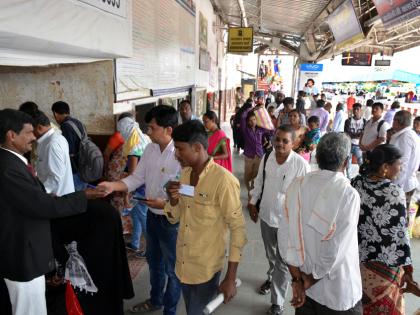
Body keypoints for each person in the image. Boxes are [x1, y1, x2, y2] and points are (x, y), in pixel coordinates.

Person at [0, 109, 100, 315]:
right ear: (11, 135)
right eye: (28, 133)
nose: (33, 137)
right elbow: (42, 206)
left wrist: (42, 196)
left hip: (24, 250)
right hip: (22, 256)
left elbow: (31, 200)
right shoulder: (8, 167)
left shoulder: (13, 161)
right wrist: (85, 196)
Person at [98, 105, 181, 315]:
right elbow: (137, 178)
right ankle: (156, 300)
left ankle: (169, 311)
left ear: (168, 129)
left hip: (173, 221)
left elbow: (190, 189)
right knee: (155, 263)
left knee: (174, 270)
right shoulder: (150, 149)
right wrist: (113, 186)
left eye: (152, 128)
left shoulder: (181, 153)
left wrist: (167, 205)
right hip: (153, 218)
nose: (148, 132)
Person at [164, 120, 247, 315]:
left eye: (179, 149)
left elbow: (238, 230)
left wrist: (230, 277)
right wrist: (173, 200)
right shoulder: (184, 175)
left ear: (198, 148)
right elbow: (175, 218)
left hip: (206, 271)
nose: (176, 154)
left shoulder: (224, 181)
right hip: (183, 265)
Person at [279, 132, 362, 314]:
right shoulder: (348, 195)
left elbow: (284, 238)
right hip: (336, 292)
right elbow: (334, 250)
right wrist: (307, 281)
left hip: (306, 289)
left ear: (316, 157)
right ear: (346, 161)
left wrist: (298, 281)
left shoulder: (297, 186)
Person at [248, 125, 310, 315]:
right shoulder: (267, 158)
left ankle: (277, 302)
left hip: (287, 223)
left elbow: (306, 195)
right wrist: (252, 202)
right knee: (270, 255)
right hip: (267, 216)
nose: (280, 144)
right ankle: (271, 276)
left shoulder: (301, 165)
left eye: (285, 141)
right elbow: (259, 182)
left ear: (294, 143)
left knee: (283, 263)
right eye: (278, 139)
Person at [351, 145, 419, 314]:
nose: (401, 167)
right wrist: (408, 269)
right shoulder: (394, 192)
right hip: (386, 268)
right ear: (385, 168)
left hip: (356, 260)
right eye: (399, 163)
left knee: (361, 305)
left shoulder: (356, 183)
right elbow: (400, 235)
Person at [117, 113, 151, 257]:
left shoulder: (133, 146)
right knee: (137, 216)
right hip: (147, 185)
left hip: (140, 189)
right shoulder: (144, 137)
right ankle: (135, 243)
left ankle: (150, 250)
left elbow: (132, 177)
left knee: (142, 218)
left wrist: (126, 197)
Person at [31, 110, 74, 196]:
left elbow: (55, 177)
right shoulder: (46, 141)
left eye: (30, 131)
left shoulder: (53, 143)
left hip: (58, 197)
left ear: (39, 128)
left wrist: (38, 193)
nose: (30, 135)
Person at [51, 101, 88, 191]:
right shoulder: (78, 122)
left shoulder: (66, 126)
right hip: (84, 165)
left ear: (55, 114)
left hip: (74, 170)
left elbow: (68, 151)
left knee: (74, 197)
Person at [390, 110, 420, 217]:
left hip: (403, 185)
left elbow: (402, 165)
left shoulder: (405, 137)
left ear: (399, 122)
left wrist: (396, 188)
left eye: (394, 120)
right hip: (405, 184)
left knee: (400, 216)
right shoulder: (407, 134)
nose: (392, 122)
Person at [241, 110, 267, 194]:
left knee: (256, 175)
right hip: (249, 155)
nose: (253, 122)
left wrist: (260, 111)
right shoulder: (245, 130)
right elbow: (243, 117)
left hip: (259, 155)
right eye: (250, 120)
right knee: (247, 175)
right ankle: (249, 189)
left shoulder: (260, 130)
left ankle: (251, 190)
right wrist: (250, 109)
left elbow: (267, 124)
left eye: (254, 119)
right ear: (247, 122)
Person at [344, 103, 366, 179]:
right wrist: (359, 135)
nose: (356, 111)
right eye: (354, 109)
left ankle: (363, 177)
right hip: (349, 144)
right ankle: (348, 178)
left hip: (358, 145)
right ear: (352, 110)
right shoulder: (348, 121)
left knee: (361, 162)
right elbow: (347, 133)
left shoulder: (364, 121)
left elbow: (364, 134)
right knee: (348, 162)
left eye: (358, 109)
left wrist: (354, 135)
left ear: (361, 110)